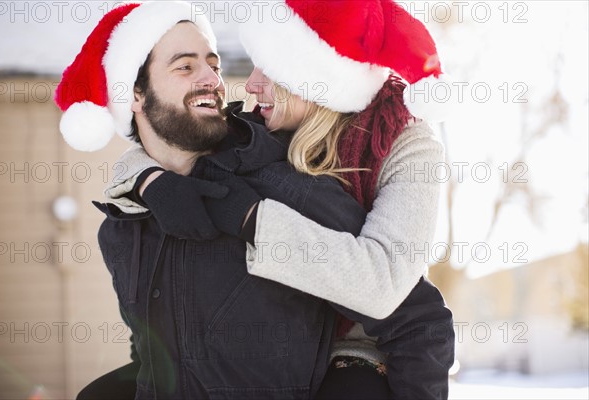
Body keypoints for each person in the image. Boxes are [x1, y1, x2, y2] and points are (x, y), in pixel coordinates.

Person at [55, 2, 450, 399]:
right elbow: (182, 144)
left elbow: (394, 295)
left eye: (269, 69)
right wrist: (145, 181)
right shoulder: (263, 138)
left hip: (362, 346)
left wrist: (250, 217)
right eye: (185, 66)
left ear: (313, 79)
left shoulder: (388, 152)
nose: (245, 84)